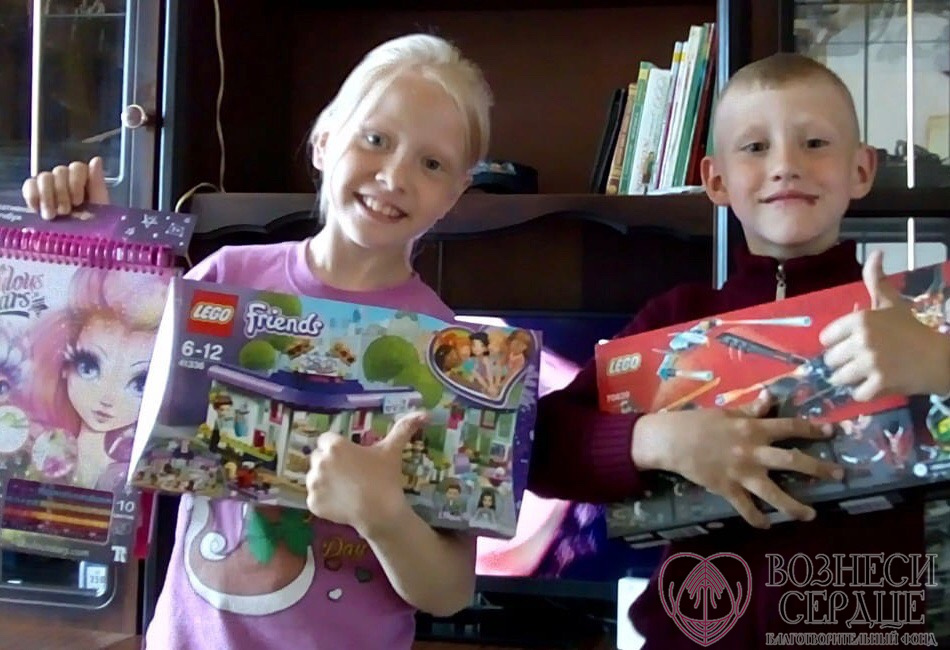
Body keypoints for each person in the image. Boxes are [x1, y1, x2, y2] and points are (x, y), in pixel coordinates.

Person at [23, 32, 493, 650]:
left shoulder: (451, 355)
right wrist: (89, 245)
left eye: (432, 164)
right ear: (324, 140)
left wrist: (383, 515)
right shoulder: (224, 279)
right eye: (376, 139)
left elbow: (450, 591)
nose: (394, 176)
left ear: (456, 193)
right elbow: (100, 428)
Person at [528, 52, 949, 647]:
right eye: (755, 147)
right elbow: (534, 448)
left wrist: (940, 365)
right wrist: (655, 440)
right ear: (716, 180)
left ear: (861, 169)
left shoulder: (916, 317)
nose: (786, 166)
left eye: (814, 143)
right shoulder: (675, 319)